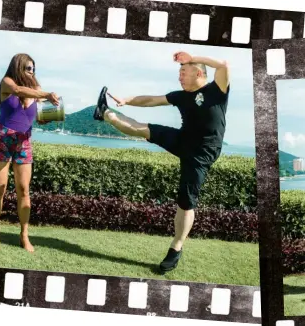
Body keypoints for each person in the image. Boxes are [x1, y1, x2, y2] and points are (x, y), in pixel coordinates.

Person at [93, 51, 230, 272]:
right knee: (140, 129)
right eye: (179, 73)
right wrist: (126, 100)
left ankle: (176, 247)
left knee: (186, 203)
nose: (180, 76)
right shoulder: (180, 96)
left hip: (202, 154)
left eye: (183, 72)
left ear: (198, 72)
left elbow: (223, 64)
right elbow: (151, 100)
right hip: (183, 140)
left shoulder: (217, 90)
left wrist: (192, 56)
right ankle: (104, 112)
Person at [0, 53, 59, 252]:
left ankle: (24, 235)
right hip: (4, 137)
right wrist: (45, 94)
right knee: (0, 187)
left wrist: (53, 115)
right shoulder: (7, 82)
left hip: (24, 140)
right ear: (18, 67)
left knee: (24, 189)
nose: (32, 71)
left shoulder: (35, 90)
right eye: (28, 68)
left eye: (34, 69)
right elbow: (18, 90)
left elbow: (39, 118)